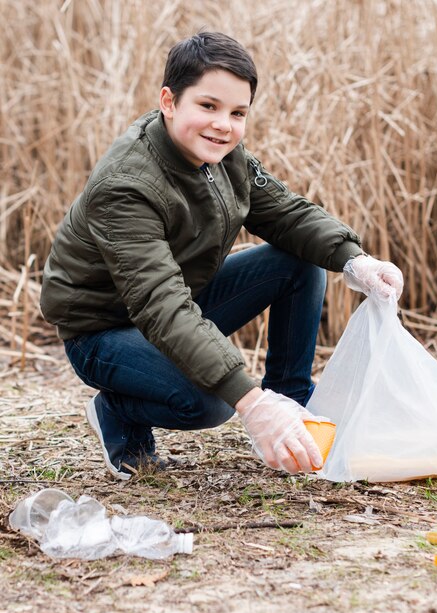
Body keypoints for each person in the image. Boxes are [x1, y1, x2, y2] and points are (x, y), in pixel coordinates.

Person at [40, 31, 404, 481]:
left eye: (237, 113)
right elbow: (161, 305)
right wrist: (249, 401)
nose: (223, 125)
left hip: (178, 302)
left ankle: (292, 408)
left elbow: (286, 214)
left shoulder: (222, 153)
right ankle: (117, 411)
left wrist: (356, 260)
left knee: (298, 259)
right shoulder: (126, 187)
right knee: (209, 401)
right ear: (169, 101)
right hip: (103, 331)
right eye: (208, 107)